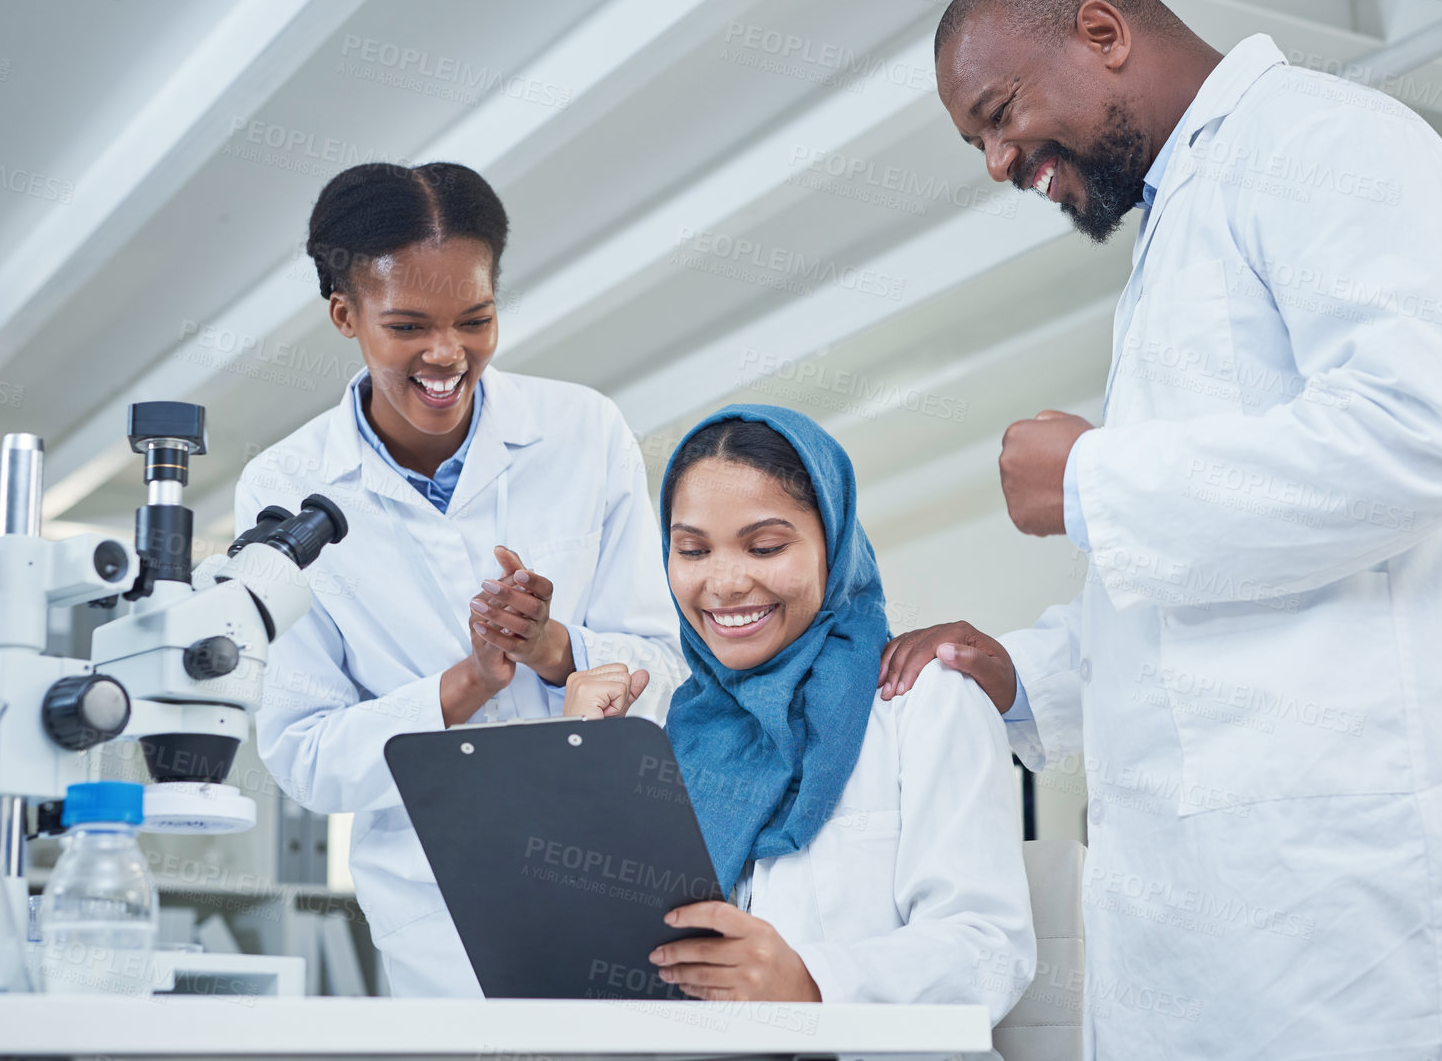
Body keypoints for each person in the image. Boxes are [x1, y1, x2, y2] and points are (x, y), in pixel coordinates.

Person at [878, 0, 1442, 1059]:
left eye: (999, 111)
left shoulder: (1324, 143)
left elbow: (1423, 437)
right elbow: (1201, 606)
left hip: (1377, 931)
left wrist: (1095, 477)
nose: (997, 161)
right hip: (1240, 944)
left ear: (1103, 34)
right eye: (979, 139)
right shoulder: (1182, 229)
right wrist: (1022, 673)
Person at [238, 162, 679, 997]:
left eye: (475, 320)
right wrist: (466, 684)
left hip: (615, 880)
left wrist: (555, 648)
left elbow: (673, 672)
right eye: (407, 326)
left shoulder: (584, 432)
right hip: (435, 914)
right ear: (344, 315)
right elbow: (304, 753)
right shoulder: (282, 484)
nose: (447, 355)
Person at [648, 406, 1034, 1021]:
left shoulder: (923, 700)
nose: (723, 583)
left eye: (766, 546)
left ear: (835, 539)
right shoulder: (670, 729)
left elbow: (989, 950)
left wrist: (809, 980)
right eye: (692, 550)